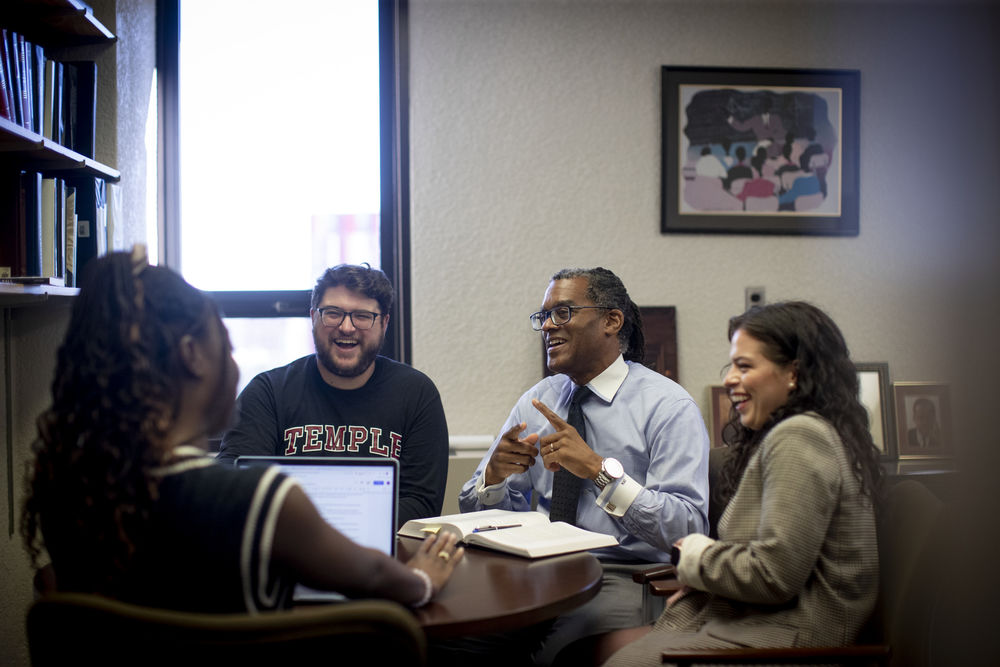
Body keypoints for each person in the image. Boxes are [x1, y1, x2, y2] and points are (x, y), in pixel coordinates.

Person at [21, 249, 463, 613]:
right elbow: (375, 577)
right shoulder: (257, 496)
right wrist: (422, 581)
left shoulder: (76, 487)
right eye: (227, 346)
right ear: (193, 357)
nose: (235, 366)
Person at [599, 301, 882, 666]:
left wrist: (694, 556)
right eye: (731, 365)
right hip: (752, 623)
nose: (730, 378)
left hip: (787, 642)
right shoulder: (796, 433)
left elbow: (773, 575)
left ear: (793, 373)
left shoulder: (800, 437)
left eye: (744, 366)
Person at [457, 267, 709, 665]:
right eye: (544, 316)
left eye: (563, 313)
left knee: (550, 656)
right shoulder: (537, 401)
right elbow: (478, 512)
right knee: (454, 646)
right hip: (536, 573)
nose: (547, 327)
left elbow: (688, 528)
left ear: (611, 321)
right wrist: (494, 479)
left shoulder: (668, 407)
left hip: (623, 576)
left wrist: (598, 471)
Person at [216, 263, 449, 526]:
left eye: (362, 316)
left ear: (384, 323)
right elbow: (236, 488)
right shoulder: (267, 392)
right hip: (287, 548)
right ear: (313, 317)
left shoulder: (416, 394)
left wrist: (326, 530)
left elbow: (421, 503)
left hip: (382, 549)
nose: (347, 327)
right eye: (333, 313)